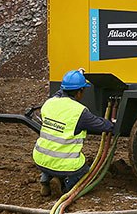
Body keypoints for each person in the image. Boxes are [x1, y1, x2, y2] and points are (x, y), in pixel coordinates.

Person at [32, 69, 114, 197]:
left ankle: (45, 179)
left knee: (51, 157)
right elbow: (102, 125)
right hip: (65, 164)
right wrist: (113, 124)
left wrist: (76, 76)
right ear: (80, 91)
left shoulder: (49, 103)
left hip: (40, 159)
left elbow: (59, 93)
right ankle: (66, 187)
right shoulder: (79, 112)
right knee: (85, 171)